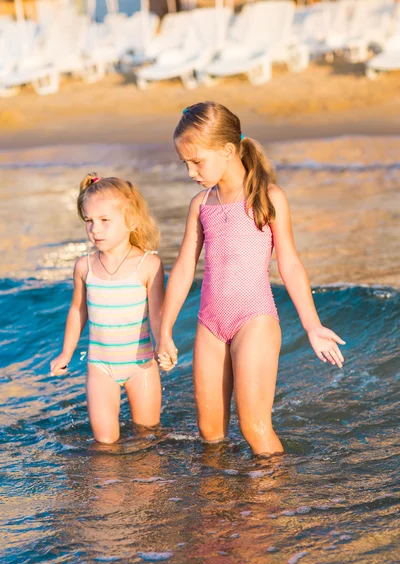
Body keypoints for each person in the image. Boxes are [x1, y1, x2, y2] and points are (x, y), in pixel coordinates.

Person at [157, 101, 345, 456]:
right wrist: (165, 331)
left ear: (228, 151)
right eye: (186, 163)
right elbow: (183, 268)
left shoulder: (267, 198)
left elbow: (289, 264)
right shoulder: (201, 204)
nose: (190, 172)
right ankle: (220, 505)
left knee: (254, 428)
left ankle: (273, 506)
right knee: (209, 432)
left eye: (197, 162)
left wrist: (313, 325)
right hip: (210, 324)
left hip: (254, 320)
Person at [50, 174, 164, 444]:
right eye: (89, 221)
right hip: (100, 367)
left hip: (141, 365)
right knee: (104, 442)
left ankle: (147, 485)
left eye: (104, 221)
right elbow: (78, 311)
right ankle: (108, 486)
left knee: (147, 436)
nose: (95, 230)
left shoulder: (148, 265)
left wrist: (164, 346)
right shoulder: (84, 266)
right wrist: (66, 352)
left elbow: (158, 314)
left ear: (131, 221)